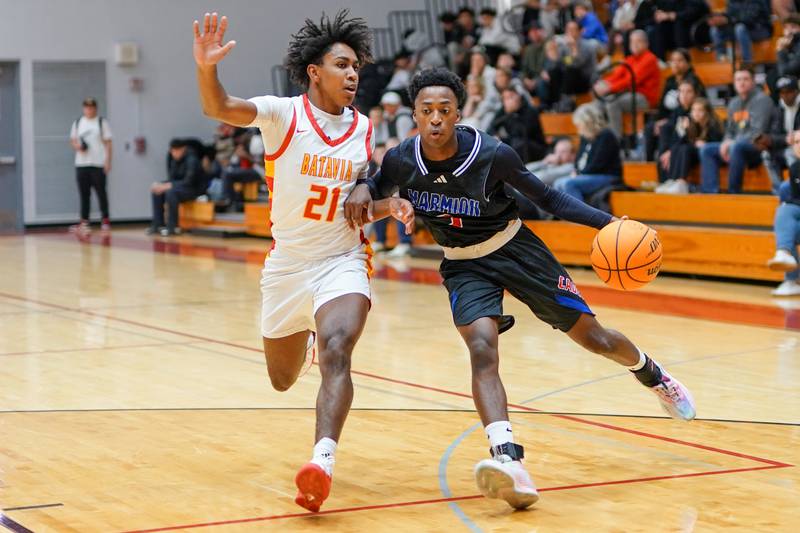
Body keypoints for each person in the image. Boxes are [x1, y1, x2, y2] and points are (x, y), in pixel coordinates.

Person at [345, 68, 696, 511]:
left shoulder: (492, 153)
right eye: (426, 111)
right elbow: (375, 186)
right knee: (482, 349)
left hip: (516, 249)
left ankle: (654, 375)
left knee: (597, 339)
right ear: (414, 114)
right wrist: (362, 186)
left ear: (459, 113)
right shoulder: (400, 159)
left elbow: (549, 198)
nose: (435, 119)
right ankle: (508, 459)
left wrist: (609, 223)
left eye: (444, 110)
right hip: (463, 264)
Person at [192, 10, 376, 512]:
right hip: (287, 267)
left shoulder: (364, 127)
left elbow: (367, 182)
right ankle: (308, 333)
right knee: (282, 379)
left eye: (356, 66)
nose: (353, 74)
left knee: (339, 349)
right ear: (315, 71)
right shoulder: (282, 113)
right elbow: (220, 107)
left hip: (342, 258)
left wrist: (373, 190)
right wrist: (207, 68)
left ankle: (322, 461)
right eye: (342, 64)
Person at [699, 66, 775, 194]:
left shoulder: (763, 100)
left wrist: (732, 143)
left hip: (758, 147)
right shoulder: (734, 103)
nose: (741, 82)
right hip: (736, 146)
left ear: (753, 81)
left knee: (737, 147)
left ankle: (734, 193)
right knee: (707, 149)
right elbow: (730, 130)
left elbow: (757, 132)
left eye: (745, 79)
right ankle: (710, 192)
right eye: (738, 79)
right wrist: (726, 141)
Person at [593, 30, 660, 139]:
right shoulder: (630, 59)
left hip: (645, 98)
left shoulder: (650, 59)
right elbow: (616, 76)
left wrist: (609, 88)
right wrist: (603, 84)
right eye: (632, 42)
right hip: (628, 94)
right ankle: (598, 136)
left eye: (638, 41)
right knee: (599, 101)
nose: (634, 45)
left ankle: (615, 140)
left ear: (646, 44)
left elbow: (632, 81)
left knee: (612, 103)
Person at [554, 103, 623, 205]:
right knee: (557, 183)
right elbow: (578, 159)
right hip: (587, 174)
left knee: (569, 184)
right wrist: (576, 171)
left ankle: (581, 217)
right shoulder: (585, 136)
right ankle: (565, 217)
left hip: (607, 176)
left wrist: (579, 174)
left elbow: (599, 164)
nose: (578, 128)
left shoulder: (606, 135)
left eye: (579, 124)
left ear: (588, 122)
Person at [657, 97, 724, 194]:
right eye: (694, 110)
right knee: (679, 148)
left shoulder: (713, 125)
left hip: (705, 156)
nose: (696, 113)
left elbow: (717, 144)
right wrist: (684, 130)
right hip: (691, 155)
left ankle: (681, 182)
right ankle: (672, 181)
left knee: (685, 149)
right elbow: (677, 143)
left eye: (700, 110)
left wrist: (706, 144)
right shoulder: (689, 123)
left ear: (707, 112)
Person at [69, 97, 112, 234]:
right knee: (84, 193)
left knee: (101, 192)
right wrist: (78, 147)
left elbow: (108, 143)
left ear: (95, 108)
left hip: (98, 163)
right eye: (86, 107)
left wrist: (108, 161)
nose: (89, 109)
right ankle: (84, 221)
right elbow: (72, 141)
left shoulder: (101, 122)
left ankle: (105, 220)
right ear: (83, 108)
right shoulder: (77, 122)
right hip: (82, 163)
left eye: (91, 107)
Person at [148, 139, 207, 235]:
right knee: (157, 191)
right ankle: (158, 224)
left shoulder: (192, 160)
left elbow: (189, 182)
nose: (173, 153)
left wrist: (168, 186)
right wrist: (160, 185)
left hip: (194, 190)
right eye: (172, 151)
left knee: (171, 192)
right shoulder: (174, 161)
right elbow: (172, 179)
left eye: (176, 150)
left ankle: (172, 227)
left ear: (183, 149)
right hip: (180, 188)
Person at [767, 133, 800, 296]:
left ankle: (784, 255)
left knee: (785, 214)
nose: (799, 145)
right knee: (786, 218)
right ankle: (785, 257)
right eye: (796, 142)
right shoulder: (795, 169)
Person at [489, 88, 547, 163]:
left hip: (533, 145)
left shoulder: (530, 110)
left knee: (518, 144)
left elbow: (523, 133)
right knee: (497, 146)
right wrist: (495, 136)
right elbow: (491, 127)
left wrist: (512, 113)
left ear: (518, 97)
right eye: (505, 99)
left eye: (510, 97)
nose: (508, 101)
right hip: (515, 143)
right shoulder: (504, 111)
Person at [763, 76, 800, 192]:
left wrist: (794, 138)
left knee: (791, 153)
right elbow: (773, 135)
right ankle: (778, 191)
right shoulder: (777, 109)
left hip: (797, 147)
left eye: (789, 92)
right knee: (766, 154)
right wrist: (785, 139)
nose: (785, 95)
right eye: (782, 93)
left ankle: (795, 190)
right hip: (784, 146)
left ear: (796, 92)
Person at [708, 0, 772, 63]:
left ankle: (747, 62)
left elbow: (749, 19)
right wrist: (720, 19)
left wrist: (727, 20)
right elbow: (729, 15)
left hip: (759, 29)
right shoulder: (732, 1)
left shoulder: (756, 1)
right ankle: (722, 58)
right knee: (715, 30)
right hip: (740, 30)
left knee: (740, 28)